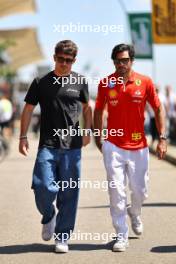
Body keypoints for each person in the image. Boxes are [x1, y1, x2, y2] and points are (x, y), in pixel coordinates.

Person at [19, 40, 92, 253]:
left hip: (73, 147)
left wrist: (88, 131)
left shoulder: (80, 81)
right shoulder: (41, 81)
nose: (64, 64)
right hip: (47, 145)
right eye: (61, 59)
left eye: (69, 60)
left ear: (74, 61)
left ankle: (62, 236)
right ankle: (49, 215)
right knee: (42, 185)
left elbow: (87, 109)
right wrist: (23, 136)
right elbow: (28, 109)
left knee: (69, 194)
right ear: (54, 58)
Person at [94, 44, 167, 252]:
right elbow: (99, 111)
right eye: (117, 61)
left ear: (132, 61)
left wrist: (162, 137)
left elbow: (158, 108)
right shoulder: (106, 83)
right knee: (116, 191)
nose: (121, 64)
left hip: (139, 146)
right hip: (114, 146)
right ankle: (121, 234)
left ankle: (135, 212)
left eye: (125, 60)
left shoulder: (145, 82)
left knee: (140, 190)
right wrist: (99, 138)